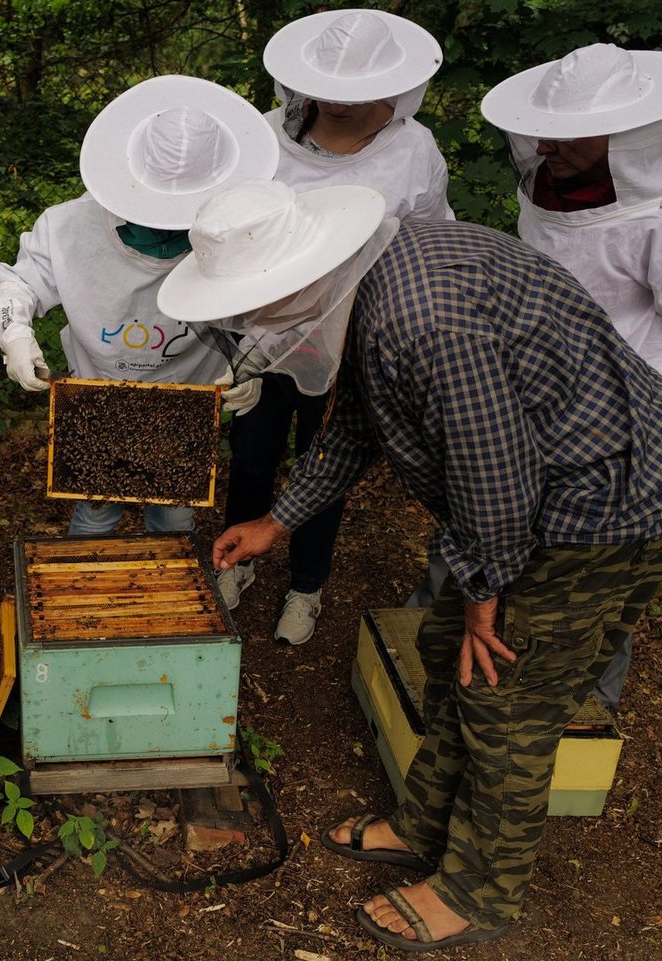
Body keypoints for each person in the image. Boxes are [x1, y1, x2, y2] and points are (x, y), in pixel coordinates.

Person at [159, 181, 662, 951]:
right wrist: (278, 519)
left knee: (507, 694)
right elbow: (358, 421)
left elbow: (496, 475)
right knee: (442, 647)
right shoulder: (373, 283)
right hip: (557, 490)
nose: (254, 320)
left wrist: (486, 592)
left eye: (252, 303)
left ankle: (480, 890)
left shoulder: (423, 318)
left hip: (609, 503)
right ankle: (424, 822)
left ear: (294, 276)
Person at [481, 42, 662, 710]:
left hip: (628, 423)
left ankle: (585, 716)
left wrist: (628, 375)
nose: (545, 145)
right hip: (532, 395)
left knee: (599, 568)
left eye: (569, 135)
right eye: (545, 130)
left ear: (627, 134)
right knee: (496, 536)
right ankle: (475, 671)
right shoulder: (549, 182)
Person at [217, 8, 452, 645]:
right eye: (327, 89)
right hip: (264, 333)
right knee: (251, 456)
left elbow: (430, 242)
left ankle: (306, 586)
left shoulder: (415, 150)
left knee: (325, 462)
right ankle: (238, 563)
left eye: (354, 92)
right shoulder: (265, 138)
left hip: (355, 336)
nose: (338, 103)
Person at [0, 74, 277, 535]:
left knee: (174, 518)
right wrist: (15, 335)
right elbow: (16, 283)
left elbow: (273, 311)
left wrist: (252, 364)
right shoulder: (68, 227)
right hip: (98, 399)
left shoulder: (243, 235)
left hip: (188, 406)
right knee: (94, 515)